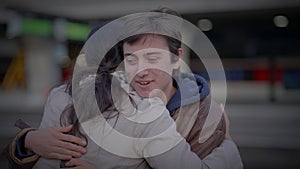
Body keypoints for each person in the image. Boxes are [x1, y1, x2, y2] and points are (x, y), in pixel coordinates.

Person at [7, 7, 243, 169]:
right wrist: (26, 141)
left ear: (176, 59)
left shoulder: (202, 113)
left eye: (152, 58)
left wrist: (228, 142)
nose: (140, 70)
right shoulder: (72, 99)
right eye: (131, 60)